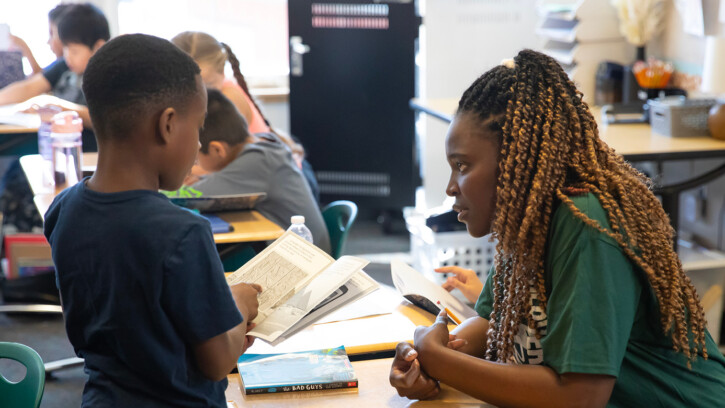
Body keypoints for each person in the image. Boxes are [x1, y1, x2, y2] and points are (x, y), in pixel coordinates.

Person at [389, 49, 725, 407]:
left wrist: (444, 362)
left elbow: (580, 396)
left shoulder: (587, 225)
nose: (451, 187)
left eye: (463, 166)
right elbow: (494, 323)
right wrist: (428, 356)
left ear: (516, 160)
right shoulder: (527, 221)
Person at [44, 34, 262, 407]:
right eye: (199, 127)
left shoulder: (63, 209)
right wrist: (239, 304)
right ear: (168, 125)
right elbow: (216, 363)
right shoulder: (183, 234)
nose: (197, 145)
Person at [189, 88, 331, 254]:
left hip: (303, 263)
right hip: (305, 253)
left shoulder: (256, 160)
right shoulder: (262, 148)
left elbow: (192, 196)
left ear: (217, 150)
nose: (194, 162)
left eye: (196, 154)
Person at [0, 4, 71, 104]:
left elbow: (28, 88)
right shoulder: (61, 64)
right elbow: (38, 77)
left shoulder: (65, 64)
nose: (48, 41)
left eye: (52, 33)